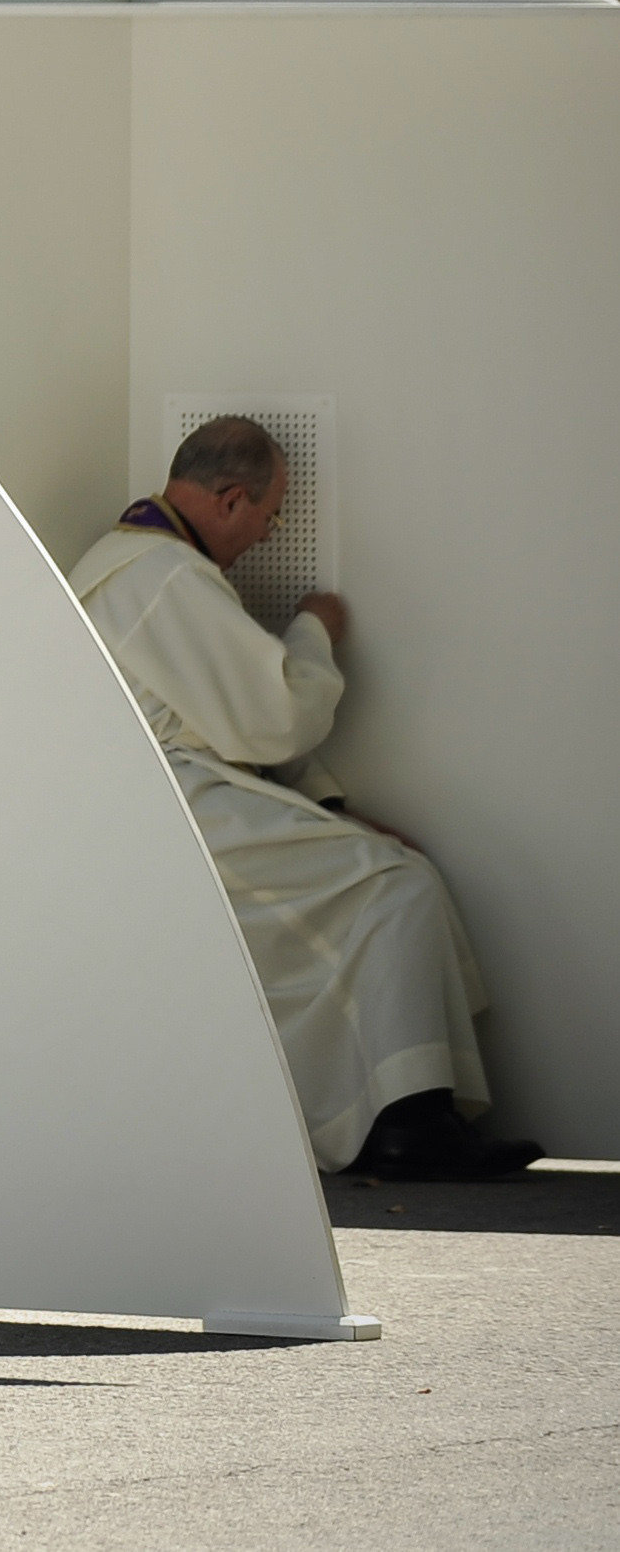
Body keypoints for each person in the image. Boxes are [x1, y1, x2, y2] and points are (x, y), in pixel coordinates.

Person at [70, 417, 538, 1181]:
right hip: (177, 814)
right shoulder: (160, 576)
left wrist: (334, 810)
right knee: (396, 887)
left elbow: (225, 720)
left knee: (392, 874)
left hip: (174, 804)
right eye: (270, 514)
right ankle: (406, 1120)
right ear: (229, 500)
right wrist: (316, 631)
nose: (266, 533)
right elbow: (277, 721)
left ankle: (404, 1112)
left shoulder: (140, 566)